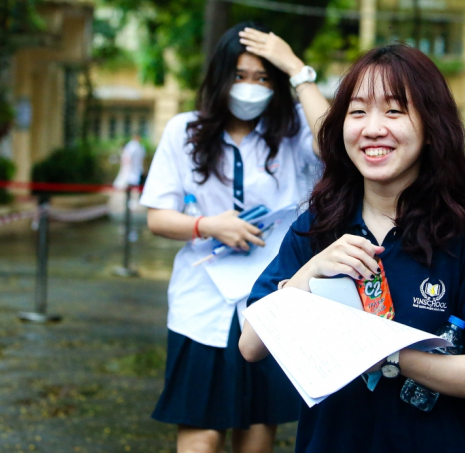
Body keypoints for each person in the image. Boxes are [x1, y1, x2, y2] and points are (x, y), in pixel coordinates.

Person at [240, 45, 465, 453]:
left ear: (431, 127)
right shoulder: (318, 227)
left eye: (394, 111)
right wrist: (307, 275)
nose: (373, 128)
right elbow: (250, 345)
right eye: (357, 112)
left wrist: (386, 355)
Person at [139, 22, 329, 453]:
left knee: (258, 425)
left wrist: (296, 68)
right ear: (221, 77)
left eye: (263, 78)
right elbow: (156, 217)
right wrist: (207, 225)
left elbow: (334, 143)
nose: (250, 88)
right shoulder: (184, 131)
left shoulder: (294, 130)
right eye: (240, 76)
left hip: (274, 295)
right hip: (200, 299)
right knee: (200, 430)